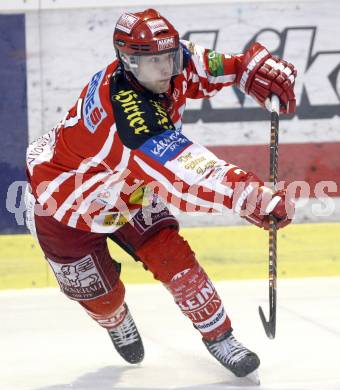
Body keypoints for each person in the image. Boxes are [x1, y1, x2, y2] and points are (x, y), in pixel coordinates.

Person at [25, 8, 296, 378]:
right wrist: (249, 195)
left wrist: (245, 70)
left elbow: (199, 64)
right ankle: (114, 319)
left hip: (128, 189)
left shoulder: (164, 62)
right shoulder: (131, 117)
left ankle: (220, 337)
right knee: (102, 299)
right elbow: (188, 172)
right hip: (65, 205)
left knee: (173, 256)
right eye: (156, 62)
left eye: (170, 57)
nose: (167, 70)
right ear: (128, 61)